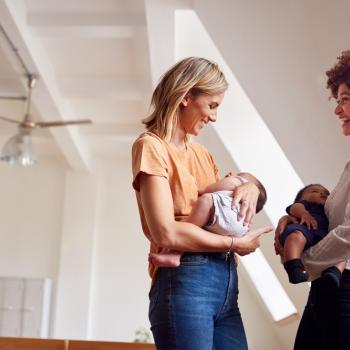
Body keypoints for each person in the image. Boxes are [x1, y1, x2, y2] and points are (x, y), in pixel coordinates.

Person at [132, 57, 273, 350]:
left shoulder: (202, 154)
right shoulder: (151, 146)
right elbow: (165, 233)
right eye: (212, 105)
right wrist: (236, 244)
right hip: (184, 281)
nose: (214, 117)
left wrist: (250, 185)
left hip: (226, 283)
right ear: (185, 97)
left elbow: (220, 205)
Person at [274, 50, 350, 350]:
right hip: (326, 288)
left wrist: (304, 258)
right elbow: (331, 222)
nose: (337, 110)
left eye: (344, 99)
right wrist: (292, 221)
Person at [149, 172, 267, 268]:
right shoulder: (244, 205)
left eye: (238, 174)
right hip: (239, 230)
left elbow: (210, 189)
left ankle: (176, 252)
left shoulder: (237, 182)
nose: (231, 174)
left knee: (206, 200)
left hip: (217, 225)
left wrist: (201, 190)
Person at [279, 184, 346, 286]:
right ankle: (293, 268)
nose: (323, 194)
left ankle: (334, 273)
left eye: (327, 194)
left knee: (341, 253)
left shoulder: (330, 211)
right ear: (301, 199)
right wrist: (304, 214)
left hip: (323, 236)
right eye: (315, 191)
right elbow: (295, 207)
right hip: (305, 228)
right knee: (295, 236)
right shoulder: (306, 205)